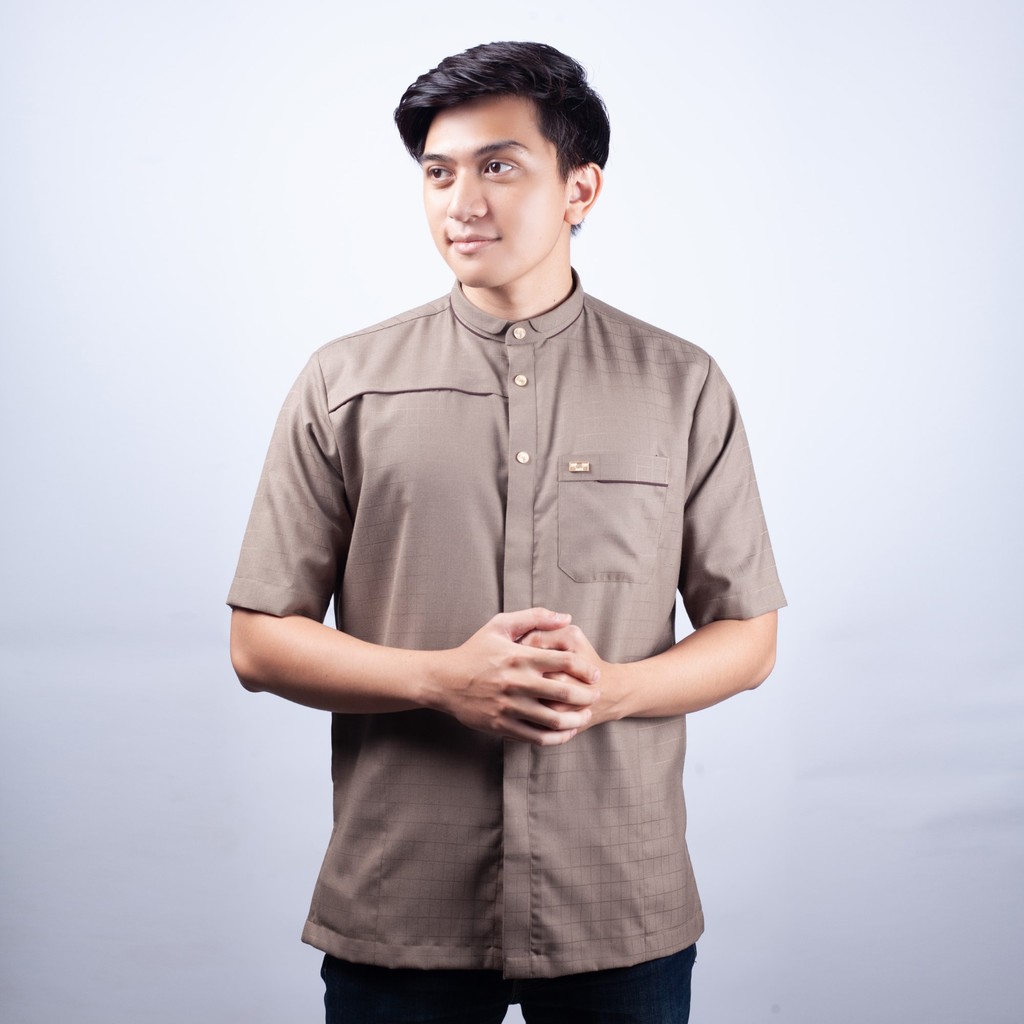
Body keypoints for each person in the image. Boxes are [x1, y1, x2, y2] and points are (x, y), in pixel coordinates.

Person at [228, 40, 786, 1024]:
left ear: (580, 188)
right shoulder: (344, 384)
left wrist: (613, 692)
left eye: (498, 166)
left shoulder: (680, 384)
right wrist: (440, 679)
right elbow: (259, 641)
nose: (462, 202)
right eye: (438, 173)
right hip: (401, 901)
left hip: (619, 902)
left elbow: (748, 636)